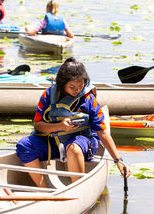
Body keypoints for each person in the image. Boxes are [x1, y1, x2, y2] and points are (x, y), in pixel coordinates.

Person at [16, 57, 131, 188]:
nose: (77, 90)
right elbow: (38, 125)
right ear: (62, 84)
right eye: (72, 87)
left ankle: (77, 189)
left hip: (82, 143)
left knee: (73, 148)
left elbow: (102, 132)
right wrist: (59, 126)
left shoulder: (88, 99)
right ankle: (44, 189)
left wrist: (118, 161)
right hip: (55, 143)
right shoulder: (48, 95)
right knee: (24, 145)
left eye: (81, 86)